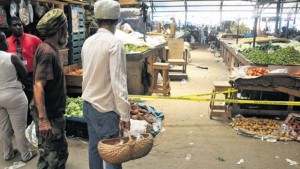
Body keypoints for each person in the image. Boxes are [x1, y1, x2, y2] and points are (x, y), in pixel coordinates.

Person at [81, 0, 131, 168]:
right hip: (105, 109)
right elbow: (119, 83)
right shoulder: (115, 44)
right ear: (117, 21)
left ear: (97, 20)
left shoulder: (87, 42)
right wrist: (125, 114)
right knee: (112, 154)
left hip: (88, 105)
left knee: (94, 148)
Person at [33, 9, 69, 169]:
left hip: (53, 115)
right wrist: (43, 119)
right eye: (65, 28)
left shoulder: (49, 49)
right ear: (60, 30)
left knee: (52, 156)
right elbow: (38, 84)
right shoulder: (47, 52)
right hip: (50, 117)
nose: (66, 32)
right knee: (53, 160)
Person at [0, 31, 37, 162]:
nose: (7, 43)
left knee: (3, 127)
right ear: (2, 42)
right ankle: (26, 154)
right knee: (19, 127)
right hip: (14, 95)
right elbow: (24, 74)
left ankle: (7, 153)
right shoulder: (12, 57)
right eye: (5, 41)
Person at [6, 16, 42, 125]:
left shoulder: (34, 39)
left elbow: (43, 55)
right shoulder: (6, 43)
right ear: (9, 27)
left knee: (30, 101)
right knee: (16, 103)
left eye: (20, 25)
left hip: (30, 76)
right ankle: (18, 124)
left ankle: (29, 124)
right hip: (14, 78)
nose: (18, 27)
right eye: (15, 25)